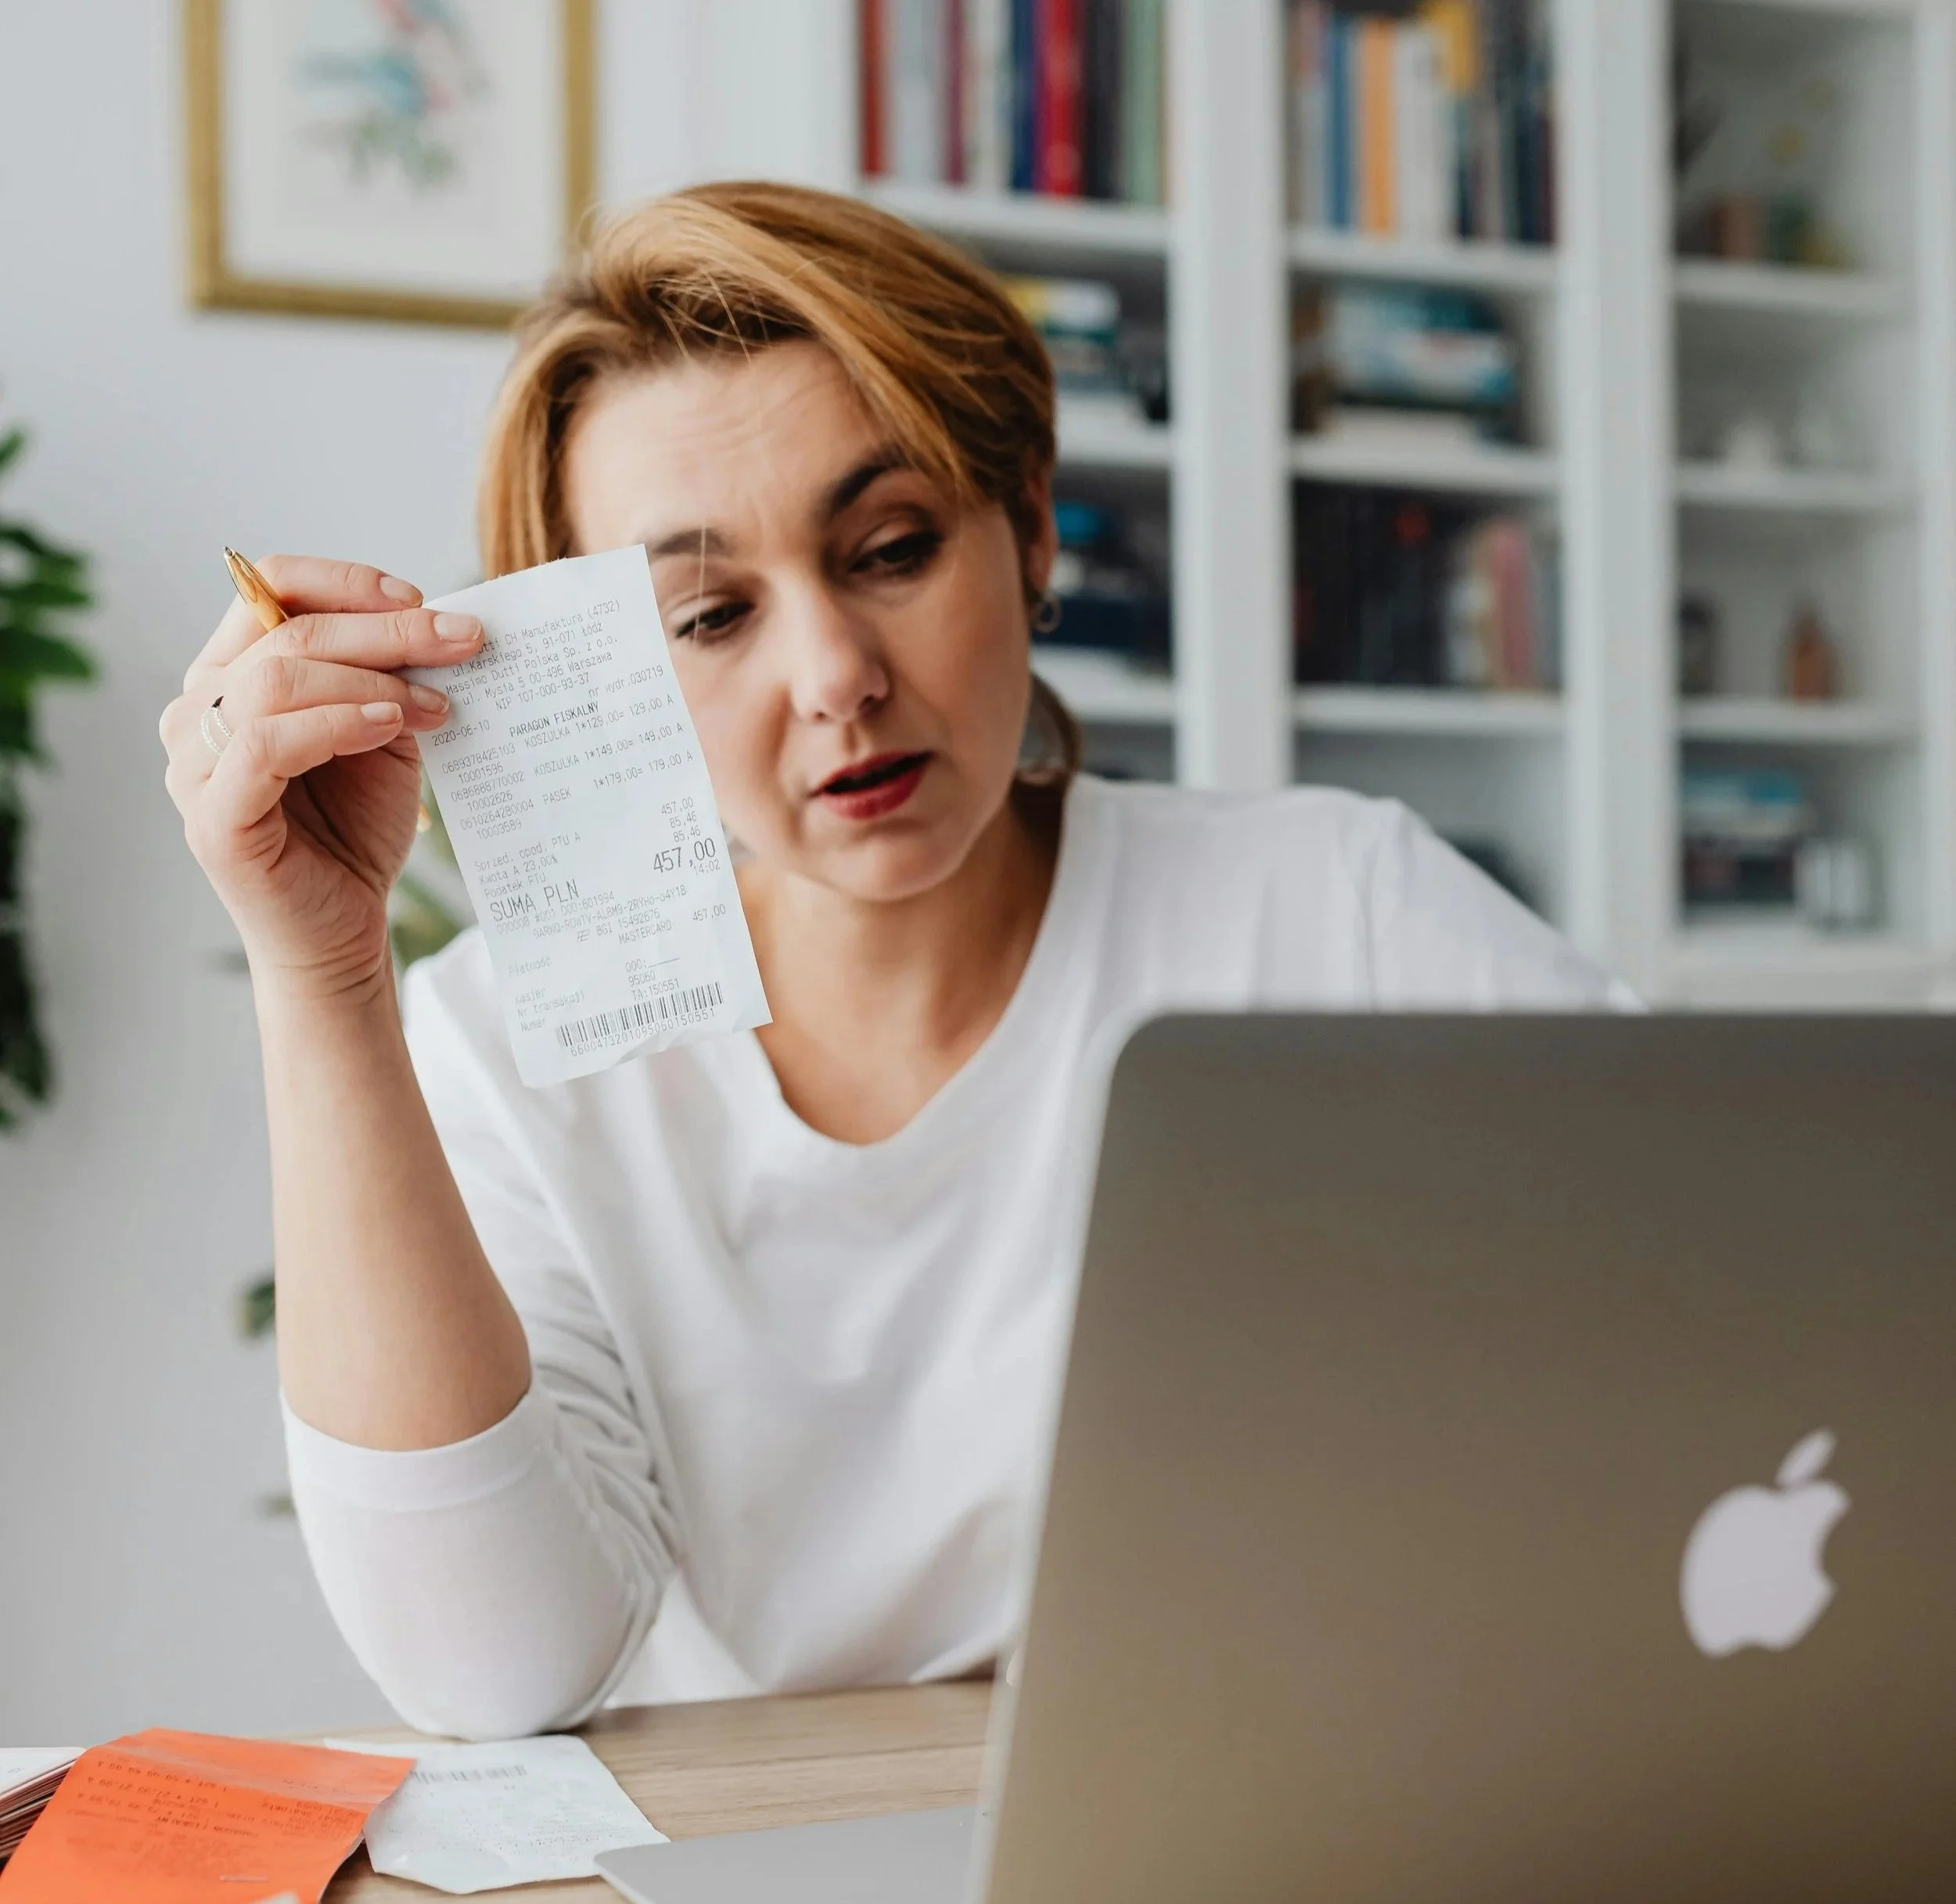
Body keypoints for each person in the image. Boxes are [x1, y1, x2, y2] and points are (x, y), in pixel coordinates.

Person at [160, 184, 1620, 1740]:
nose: (836, 679)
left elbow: (1729, 1307)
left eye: (893, 547)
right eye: (709, 614)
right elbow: (493, 1672)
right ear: (598, 674)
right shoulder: (509, 1059)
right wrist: (320, 980)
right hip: (744, 1879)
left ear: (1033, 529)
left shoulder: (1333, 906)